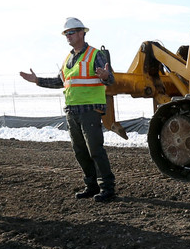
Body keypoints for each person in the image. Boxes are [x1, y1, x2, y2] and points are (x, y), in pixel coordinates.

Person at [19, 17, 117, 201]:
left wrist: (106, 76)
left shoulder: (95, 54)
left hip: (90, 110)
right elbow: (60, 81)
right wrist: (37, 80)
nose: (68, 36)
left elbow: (110, 78)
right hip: (72, 112)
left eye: (71, 33)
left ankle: (107, 188)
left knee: (95, 149)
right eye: (66, 34)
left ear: (82, 33)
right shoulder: (68, 59)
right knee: (80, 151)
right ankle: (91, 186)